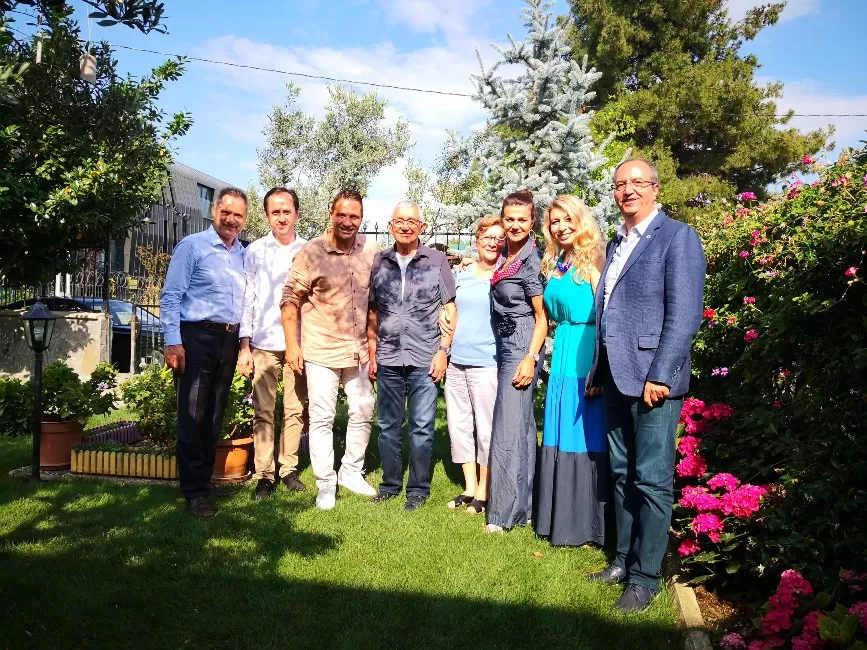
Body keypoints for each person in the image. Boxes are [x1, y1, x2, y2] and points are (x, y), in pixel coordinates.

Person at [586, 159, 706, 613]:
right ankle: (622, 560)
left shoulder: (677, 237)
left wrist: (661, 373)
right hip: (616, 378)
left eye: (638, 183)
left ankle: (645, 579)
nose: (628, 190)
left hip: (653, 381)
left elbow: (685, 314)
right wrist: (598, 372)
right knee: (621, 474)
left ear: (655, 188)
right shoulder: (617, 242)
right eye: (621, 184)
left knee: (652, 481)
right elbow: (609, 312)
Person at [281, 189, 379, 510]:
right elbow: (290, 299)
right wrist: (292, 345)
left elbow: (378, 300)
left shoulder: (371, 250)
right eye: (342, 215)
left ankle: (351, 471)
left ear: (361, 219)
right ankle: (326, 483)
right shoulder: (312, 253)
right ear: (331, 214)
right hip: (321, 349)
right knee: (321, 418)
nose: (348, 222)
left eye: (354, 216)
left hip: (358, 351)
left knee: (363, 409)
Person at [160, 187, 248, 517]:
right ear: (214, 211)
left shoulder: (242, 253)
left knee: (214, 414)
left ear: (245, 219)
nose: (231, 220)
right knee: (193, 415)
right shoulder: (192, 246)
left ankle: (204, 482)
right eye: (226, 212)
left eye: (238, 215)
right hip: (196, 337)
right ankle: (193, 492)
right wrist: (173, 341)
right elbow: (171, 296)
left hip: (228, 339)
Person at [367, 201, 456, 512]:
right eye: (400, 221)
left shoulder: (436, 260)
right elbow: (373, 311)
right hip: (388, 356)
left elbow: (449, 307)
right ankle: (390, 485)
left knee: (421, 427)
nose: (405, 226)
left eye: (412, 222)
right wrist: (372, 350)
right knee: (388, 426)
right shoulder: (379, 262)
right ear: (391, 226)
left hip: (425, 357)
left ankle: (418, 489)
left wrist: (443, 351)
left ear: (422, 227)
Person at [534, 195, 608, 546]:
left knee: (583, 434)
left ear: (581, 221)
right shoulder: (560, 261)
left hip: (584, 354)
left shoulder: (594, 256)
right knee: (560, 432)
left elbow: (606, 314)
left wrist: (599, 369)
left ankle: (585, 524)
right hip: (563, 355)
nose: (561, 227)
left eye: (567, 220)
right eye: (555, 222)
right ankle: (558, 518)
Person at [237, 187, 308, 500]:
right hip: (264, 342)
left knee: (295, 409)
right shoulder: (255, 251)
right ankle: (264, 475)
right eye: (275, 212)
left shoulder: (309, 250)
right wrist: (244, 347)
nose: (281, 217)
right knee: (263, 411)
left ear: (296, 214)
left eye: (286, 211)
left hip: (299, 343)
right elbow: (248, 298)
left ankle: (288, 469)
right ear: (267, 215)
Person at [485, 189, 548, 534]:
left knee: (507, 426)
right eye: (509, 219)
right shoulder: (506, 255)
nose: (515, 225)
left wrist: (530, 358)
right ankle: (525, 507)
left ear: (532, 221)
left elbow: (542, 318)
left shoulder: (531, 261)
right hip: (507, 345)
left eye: (522, 219)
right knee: (521, 426)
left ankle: (501, 515)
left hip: (523, 346)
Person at [442, 216, 503, 514]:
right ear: (477, 241)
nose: (493, 243)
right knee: (459, 426)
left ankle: (484, 489)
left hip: (487, 362)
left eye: (499, 238)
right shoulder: (462, 275)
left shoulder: (504, 276)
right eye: (487, 237)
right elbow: (450, 308)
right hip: (457, 361)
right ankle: (469, 487)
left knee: (486, 428)